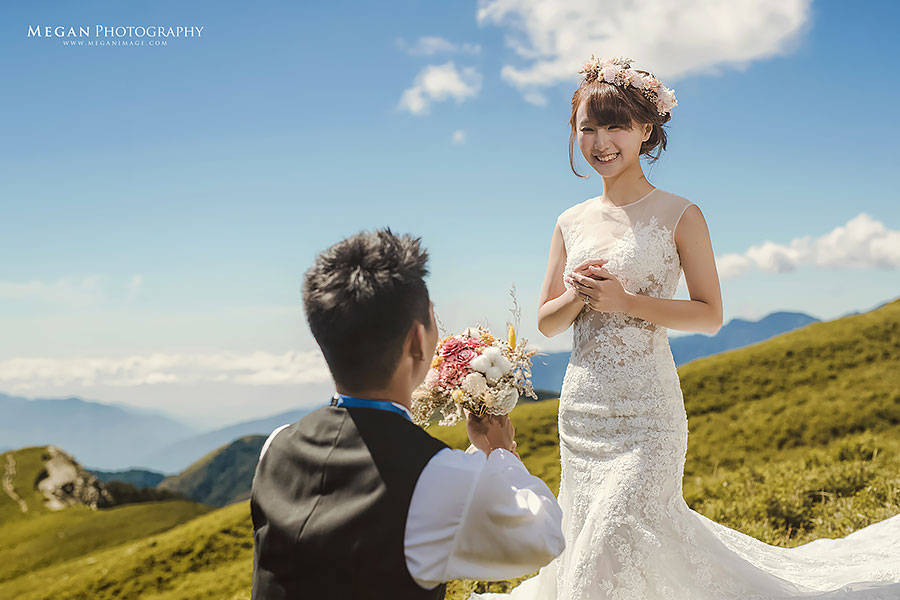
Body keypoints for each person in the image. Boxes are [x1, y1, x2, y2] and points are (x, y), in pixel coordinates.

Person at [470, 56, 900, 599]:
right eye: (588, 128)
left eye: (616, 126)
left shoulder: (680, 214)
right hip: (583, 413)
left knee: (612, 535)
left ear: (646, 129)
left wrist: (624, 300)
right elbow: (545, 322)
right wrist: (580, 295)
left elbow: (710, 313)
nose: (601, 141)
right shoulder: (569, 221)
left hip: (648, 413)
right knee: (597, 544)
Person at [250, 228, 565, 600]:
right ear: (418, 341)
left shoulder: (275, 447)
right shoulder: (430, 476)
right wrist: (498, 453)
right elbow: (543, 537)